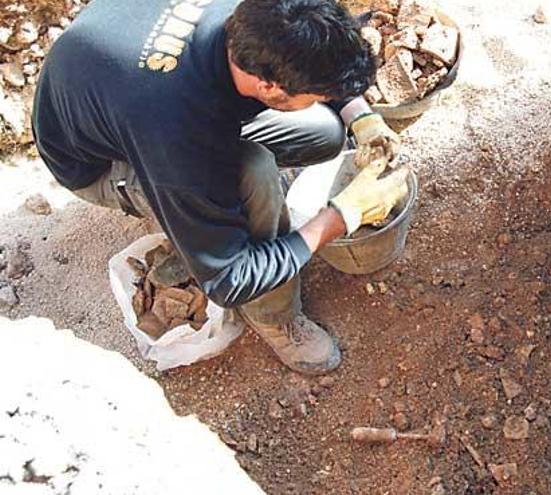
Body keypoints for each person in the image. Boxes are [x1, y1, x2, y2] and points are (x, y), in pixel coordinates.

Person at [31, 0, 409, 375]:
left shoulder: (261, 18)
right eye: (318, 93)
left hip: (128, 91)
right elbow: (228, 280)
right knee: (255, 173)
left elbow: (312, 56)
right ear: (268, 86)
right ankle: (274, 315)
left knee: (324, 131)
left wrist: (363, 118)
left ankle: (212, 217)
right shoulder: (175, 131)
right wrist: (345, 215)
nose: (325, 99)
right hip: (100, 162)